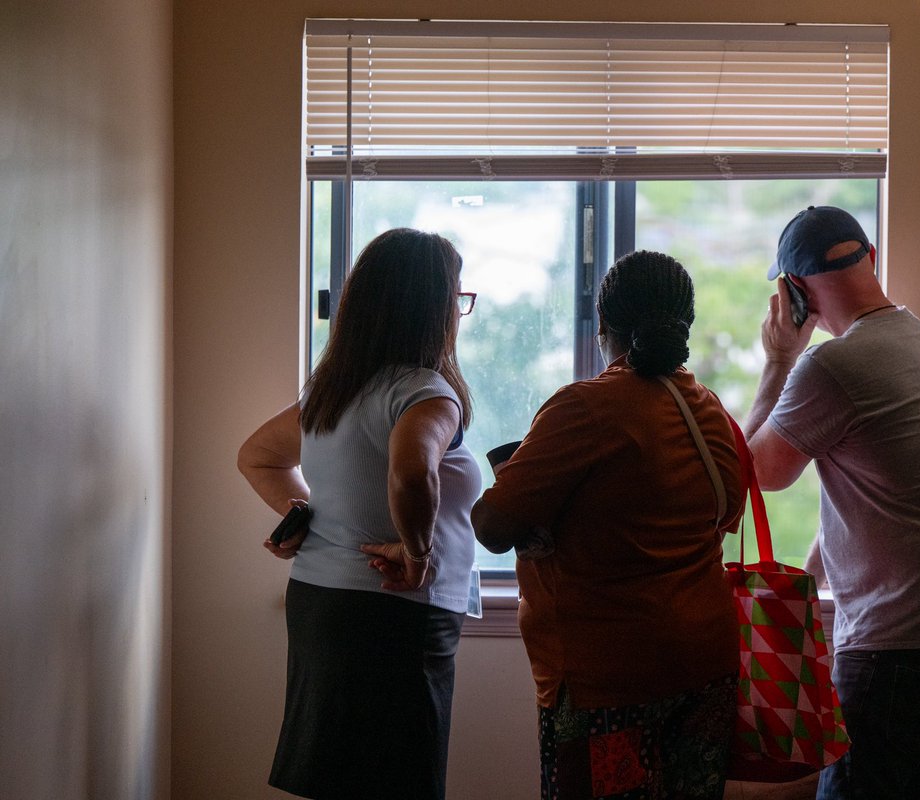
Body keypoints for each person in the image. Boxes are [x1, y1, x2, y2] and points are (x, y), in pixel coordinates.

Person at [471, 250, 746, 800]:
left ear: (603, 326)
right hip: (706, 669)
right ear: (684, 325)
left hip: (607, 680)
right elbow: (725, 515)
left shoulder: (586, 408)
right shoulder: (710, 410)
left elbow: (493, 524)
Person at [742, 206, 920, 800]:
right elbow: (877, 495)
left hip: (895, 655)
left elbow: (751, 474)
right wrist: (806, 582)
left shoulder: (832, 365)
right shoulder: (917, 337)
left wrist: (779, 359)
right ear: (870, 259)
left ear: (794, 292)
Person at [236, 228, 481, 800]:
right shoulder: (426, 391)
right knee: (402, 781)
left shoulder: (334, 390)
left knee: (335, 779)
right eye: (457, 299)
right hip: (397, 614)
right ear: (432, 308)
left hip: (321, 602)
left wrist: (302, 517)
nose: (460, 313)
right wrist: (418, 556)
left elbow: (257, 458)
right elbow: (410, 470)